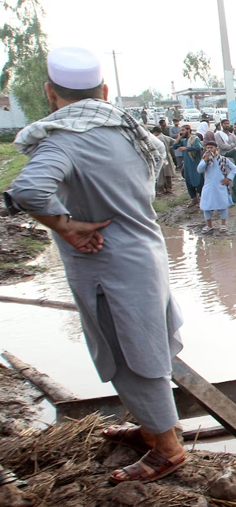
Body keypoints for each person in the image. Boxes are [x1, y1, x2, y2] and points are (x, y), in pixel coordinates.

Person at [4, 46, 187, 484]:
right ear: (104, 91)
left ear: (50, 94)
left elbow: (28, 190)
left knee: (132, 357)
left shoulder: (64, 140)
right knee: (147, 347)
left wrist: (64, 226)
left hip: (110, 266)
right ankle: (151, 427)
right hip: (147, 253)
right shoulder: (129, 130)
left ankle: (166, 449)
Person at [196, 133, 236, 233]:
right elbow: (199, 170)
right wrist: (205, 161)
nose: (209, 149)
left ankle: (223, 224)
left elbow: (233, 168)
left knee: (222, 205)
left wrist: (229, 178)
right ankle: (209, 225)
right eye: (208, 147)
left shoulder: (222, 159)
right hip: (209, 187)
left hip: (220, 186)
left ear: (216, 148)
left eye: (211, 147)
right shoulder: (204, 160)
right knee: (207, 206)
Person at [173, 124, 203, 206]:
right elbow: (174, 146)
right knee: (188, 181)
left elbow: (198, 147)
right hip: (186, 164)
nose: (181, 132)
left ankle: (202, 198)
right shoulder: (183, 140)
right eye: (181, 130)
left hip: (194, 163)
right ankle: (194, 199)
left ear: (188, 130)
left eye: (183, 130)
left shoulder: (194, 139)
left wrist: (186, 148)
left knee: (198, 181)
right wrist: (179, 137)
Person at [151, 127, 175, 195]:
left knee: (161, 174)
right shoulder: (167, 137)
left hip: (160, 156)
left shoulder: (156, 139)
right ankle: (169, 188)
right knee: (168, 173)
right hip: (167, 156)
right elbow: (175, 142)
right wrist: (169, 148)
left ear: (155, 132)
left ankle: (160, 189)